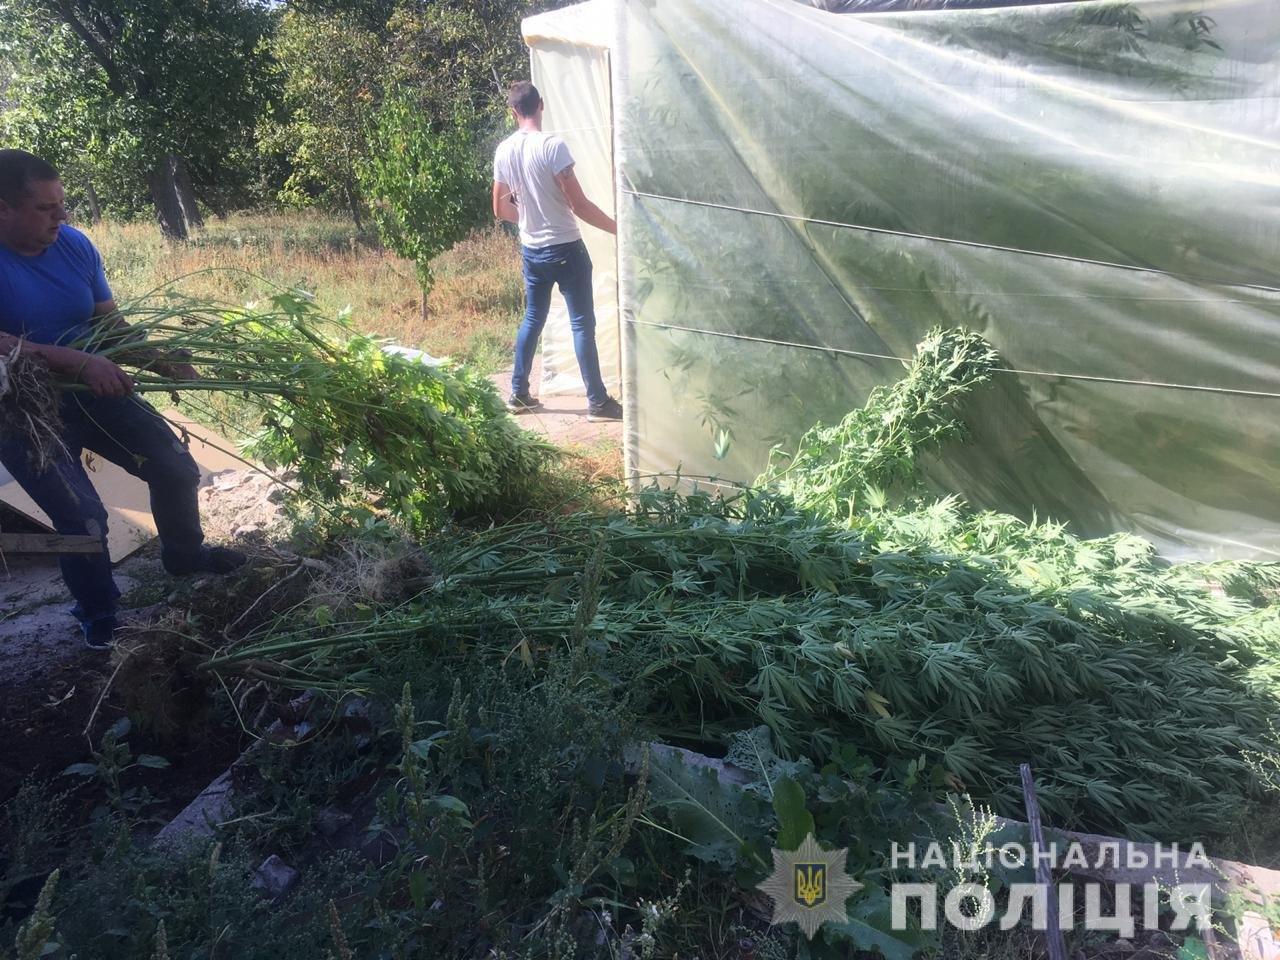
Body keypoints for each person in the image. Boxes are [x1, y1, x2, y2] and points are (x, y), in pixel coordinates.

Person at [0, 149, 243, 650]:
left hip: (93, 389)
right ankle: (99, 613)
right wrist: (75, 361)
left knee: (174, 466)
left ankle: (185, 557)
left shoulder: (73, 245)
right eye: (46, 208)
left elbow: (109, 323)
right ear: (3, 209)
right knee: (83, 518)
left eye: (62, 204)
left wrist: (158, 360)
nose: (61, 217)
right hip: (21, 408)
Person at [492, 80, 623, 421]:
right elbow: (579, 205)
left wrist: (529, 219)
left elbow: (500, 209)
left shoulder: (504, 150)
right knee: (581, 324)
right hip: (565, 247)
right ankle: (598, 402)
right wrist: (618, 229)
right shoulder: (552, 146)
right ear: (541, 105)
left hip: (532, 251)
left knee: (533, 318)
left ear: (513, 112)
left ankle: (518, 394)